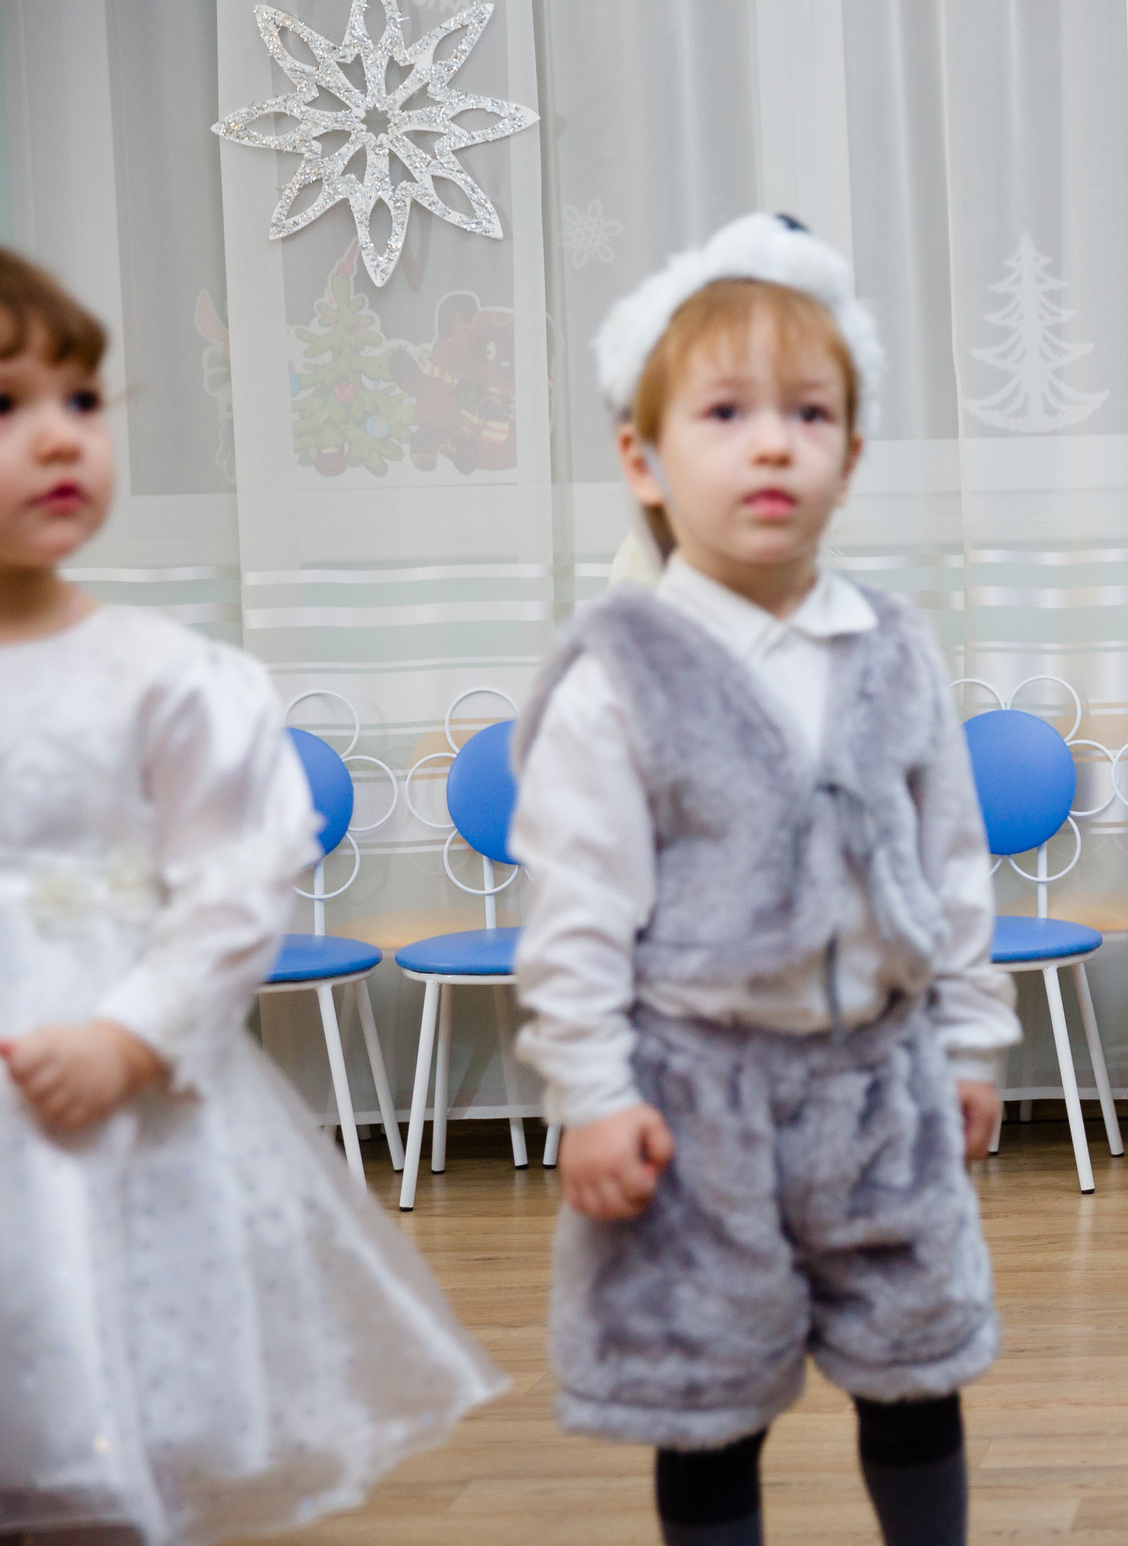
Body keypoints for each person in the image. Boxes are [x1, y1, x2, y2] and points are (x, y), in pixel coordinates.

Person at [509, 213, 1017, 1546]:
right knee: (707, 1392)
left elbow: (948, 856)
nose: (774, 441)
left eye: (810, 411)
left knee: (915, 1366)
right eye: (727, 412)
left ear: (853, 452)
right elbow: (576, 907)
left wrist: (970, 1037)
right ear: (646, 457)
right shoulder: (620, 673)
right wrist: (593, 1091)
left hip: (882, 1084)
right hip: (696, 1093)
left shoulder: (895, 649)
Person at [0, 248, 502, 1545]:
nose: (57, 436)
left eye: (81, 399)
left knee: (112, 1420)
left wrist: (129, 1034)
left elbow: (235, 881)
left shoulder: (164, 675)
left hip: (115, 1095)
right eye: (8, 406)